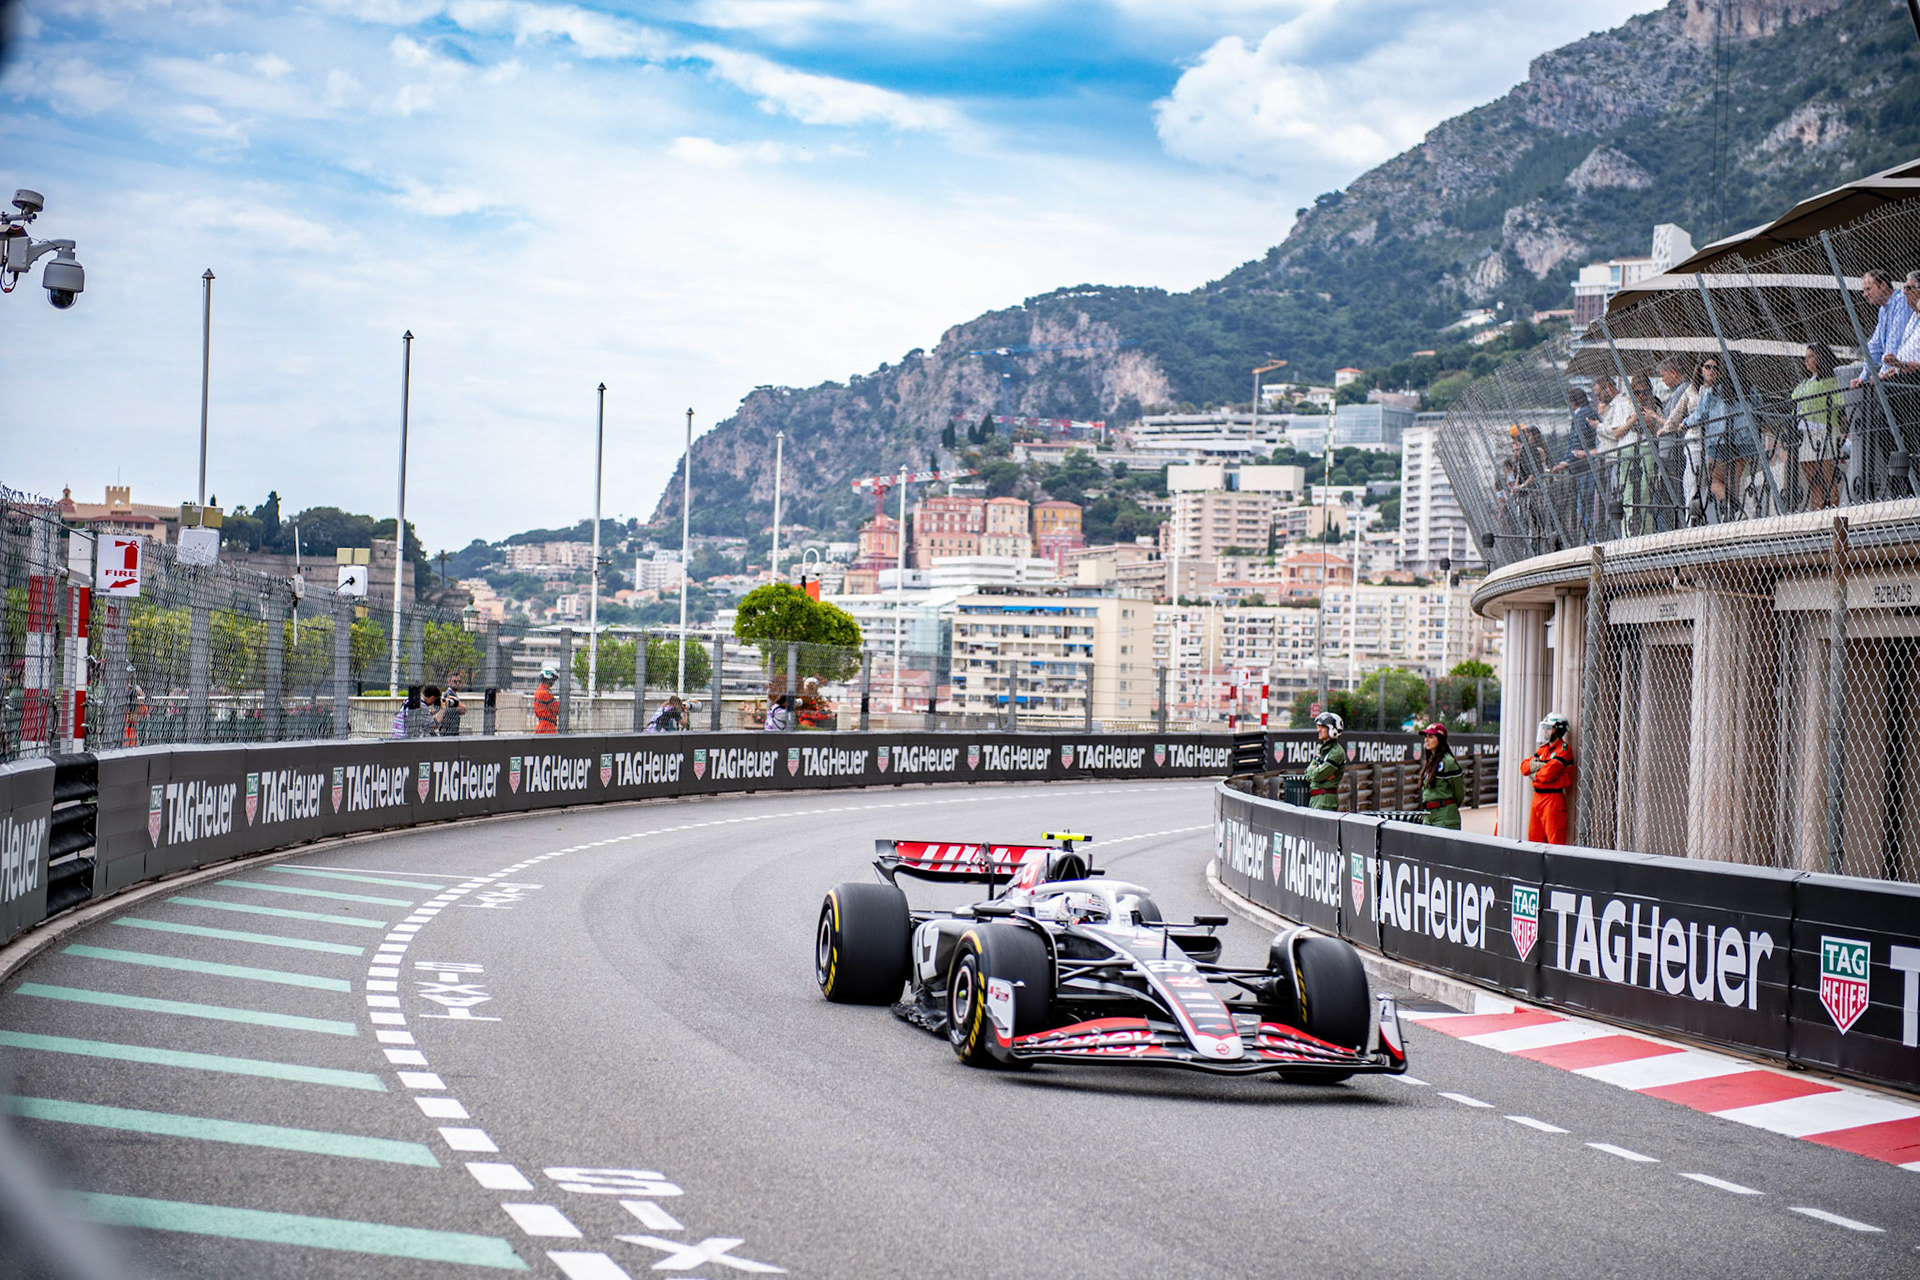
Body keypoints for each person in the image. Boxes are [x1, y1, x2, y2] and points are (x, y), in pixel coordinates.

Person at [1792, 344, 1843, 511]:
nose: (1807, 360)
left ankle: (1835, 516)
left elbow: (1839, 402)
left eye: (1811, 356)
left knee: (1828, 478)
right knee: (1813, 481)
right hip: (1805, 432)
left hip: (1824, 430)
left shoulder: (1831, 381)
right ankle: (1817, 516)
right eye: (1805, 357)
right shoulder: (1805, 383)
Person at [1521, 711, 1574, 845]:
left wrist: (1535, 771)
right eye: (1544, 728)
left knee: (1555, 841)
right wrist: (1542, 766)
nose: (1544, 731)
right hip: (1537, 799)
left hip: (1553, 800)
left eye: (1548, 728)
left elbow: (1547, 774)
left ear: (1558, 730)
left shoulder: (1564, 750)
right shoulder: (1543, 749)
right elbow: (1524, 767)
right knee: (1534, 840)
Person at [1417, 722, 1466, 830]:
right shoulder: (1430, 761)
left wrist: (1448, 807)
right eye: (1426, 737)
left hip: (1445, 817)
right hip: (1428, 816)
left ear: (1440, 739)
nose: (1426, 740)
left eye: (1431, 737)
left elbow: (1459, 793)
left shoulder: (1448, 762)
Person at [1305, 710, 1346, 811]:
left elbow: (1317, 775)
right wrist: (1315, 772)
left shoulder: (1336, 752)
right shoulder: (1322, 749)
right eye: (1319, 726)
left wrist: (1315, 772)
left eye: (1323, 727)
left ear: (1333, 729)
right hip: (1316, 798)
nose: (1319, 730)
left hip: (1325, 800)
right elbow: (1307, 774)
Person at [532, 665, 560, 735]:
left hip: (541, 725)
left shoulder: (538, 691)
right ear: (549, 679)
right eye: (553, 679)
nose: (554, 682)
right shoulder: (546, 693)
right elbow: (557, 709)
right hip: (548, 727)